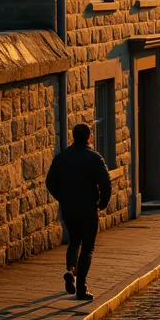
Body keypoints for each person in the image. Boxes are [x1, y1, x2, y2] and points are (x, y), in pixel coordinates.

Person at [46, 123, 112, 301]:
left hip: (69, 208)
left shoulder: (61, 158)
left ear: (73, 137)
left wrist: (62, 197)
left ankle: (70, 270)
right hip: (88, 208)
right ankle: (81, 286)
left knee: (74, 241)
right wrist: (102, 203)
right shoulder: (95, 158)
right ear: (89, 137)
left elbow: (50, 181)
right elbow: (105, 183)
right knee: (88, 246)